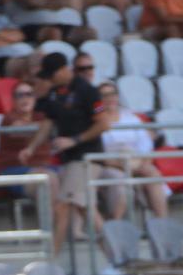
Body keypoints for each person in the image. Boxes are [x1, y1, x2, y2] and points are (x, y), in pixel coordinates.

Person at [20, 52, 125, 253]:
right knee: (87, 211)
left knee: (62, 207)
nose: (49, 79)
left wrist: (74, 140)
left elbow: (103, 124)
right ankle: (117, 257)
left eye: (52, 74)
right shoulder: (56, 92)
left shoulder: (87, 91)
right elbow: (49, 121)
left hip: (86, 158)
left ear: (62, 70)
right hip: (70, 160)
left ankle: (51, 259)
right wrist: (32, 147)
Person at [98, 81, 170, 219]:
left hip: (134, 161)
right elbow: (99, 152)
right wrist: (121, 165)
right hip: (111, 164)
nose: (110, 98)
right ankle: (115, 226)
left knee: (151, 172)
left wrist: (142, 162)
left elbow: (145, 144)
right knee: (120, 183)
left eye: (112, 94)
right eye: (104, 95)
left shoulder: (130, 118)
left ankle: (162, 221)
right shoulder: (96, 120)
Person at [0, 80, 59, 208]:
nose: (25, 98)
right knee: (47, 178)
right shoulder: (8, 118)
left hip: (45, 166)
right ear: (13, 100)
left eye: (29, 94)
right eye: (20, 95)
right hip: (15, 170)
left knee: (77, 175)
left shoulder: (41, 117)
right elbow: (19, 130)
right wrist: (47, 127)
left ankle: (97, 227)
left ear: (35, 98)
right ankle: (51, 227)